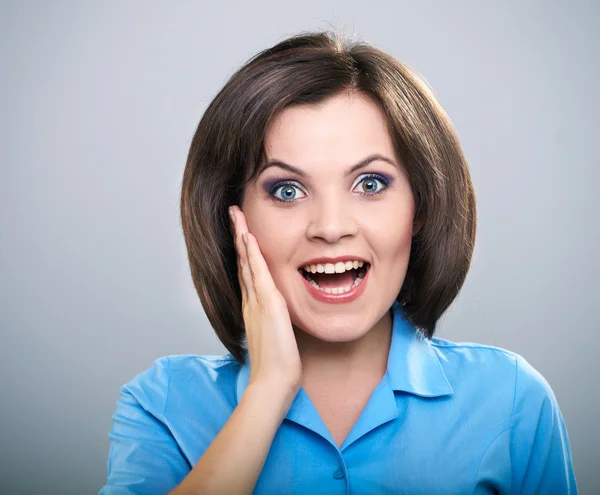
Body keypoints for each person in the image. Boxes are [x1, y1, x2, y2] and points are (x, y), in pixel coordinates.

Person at [99, 30, 578, 494]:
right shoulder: (163, 404)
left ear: (420, 207)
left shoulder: (511, 401)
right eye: (287, 190)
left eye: (370, 184)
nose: (330, 227)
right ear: (234, 217)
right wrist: (267, 393)